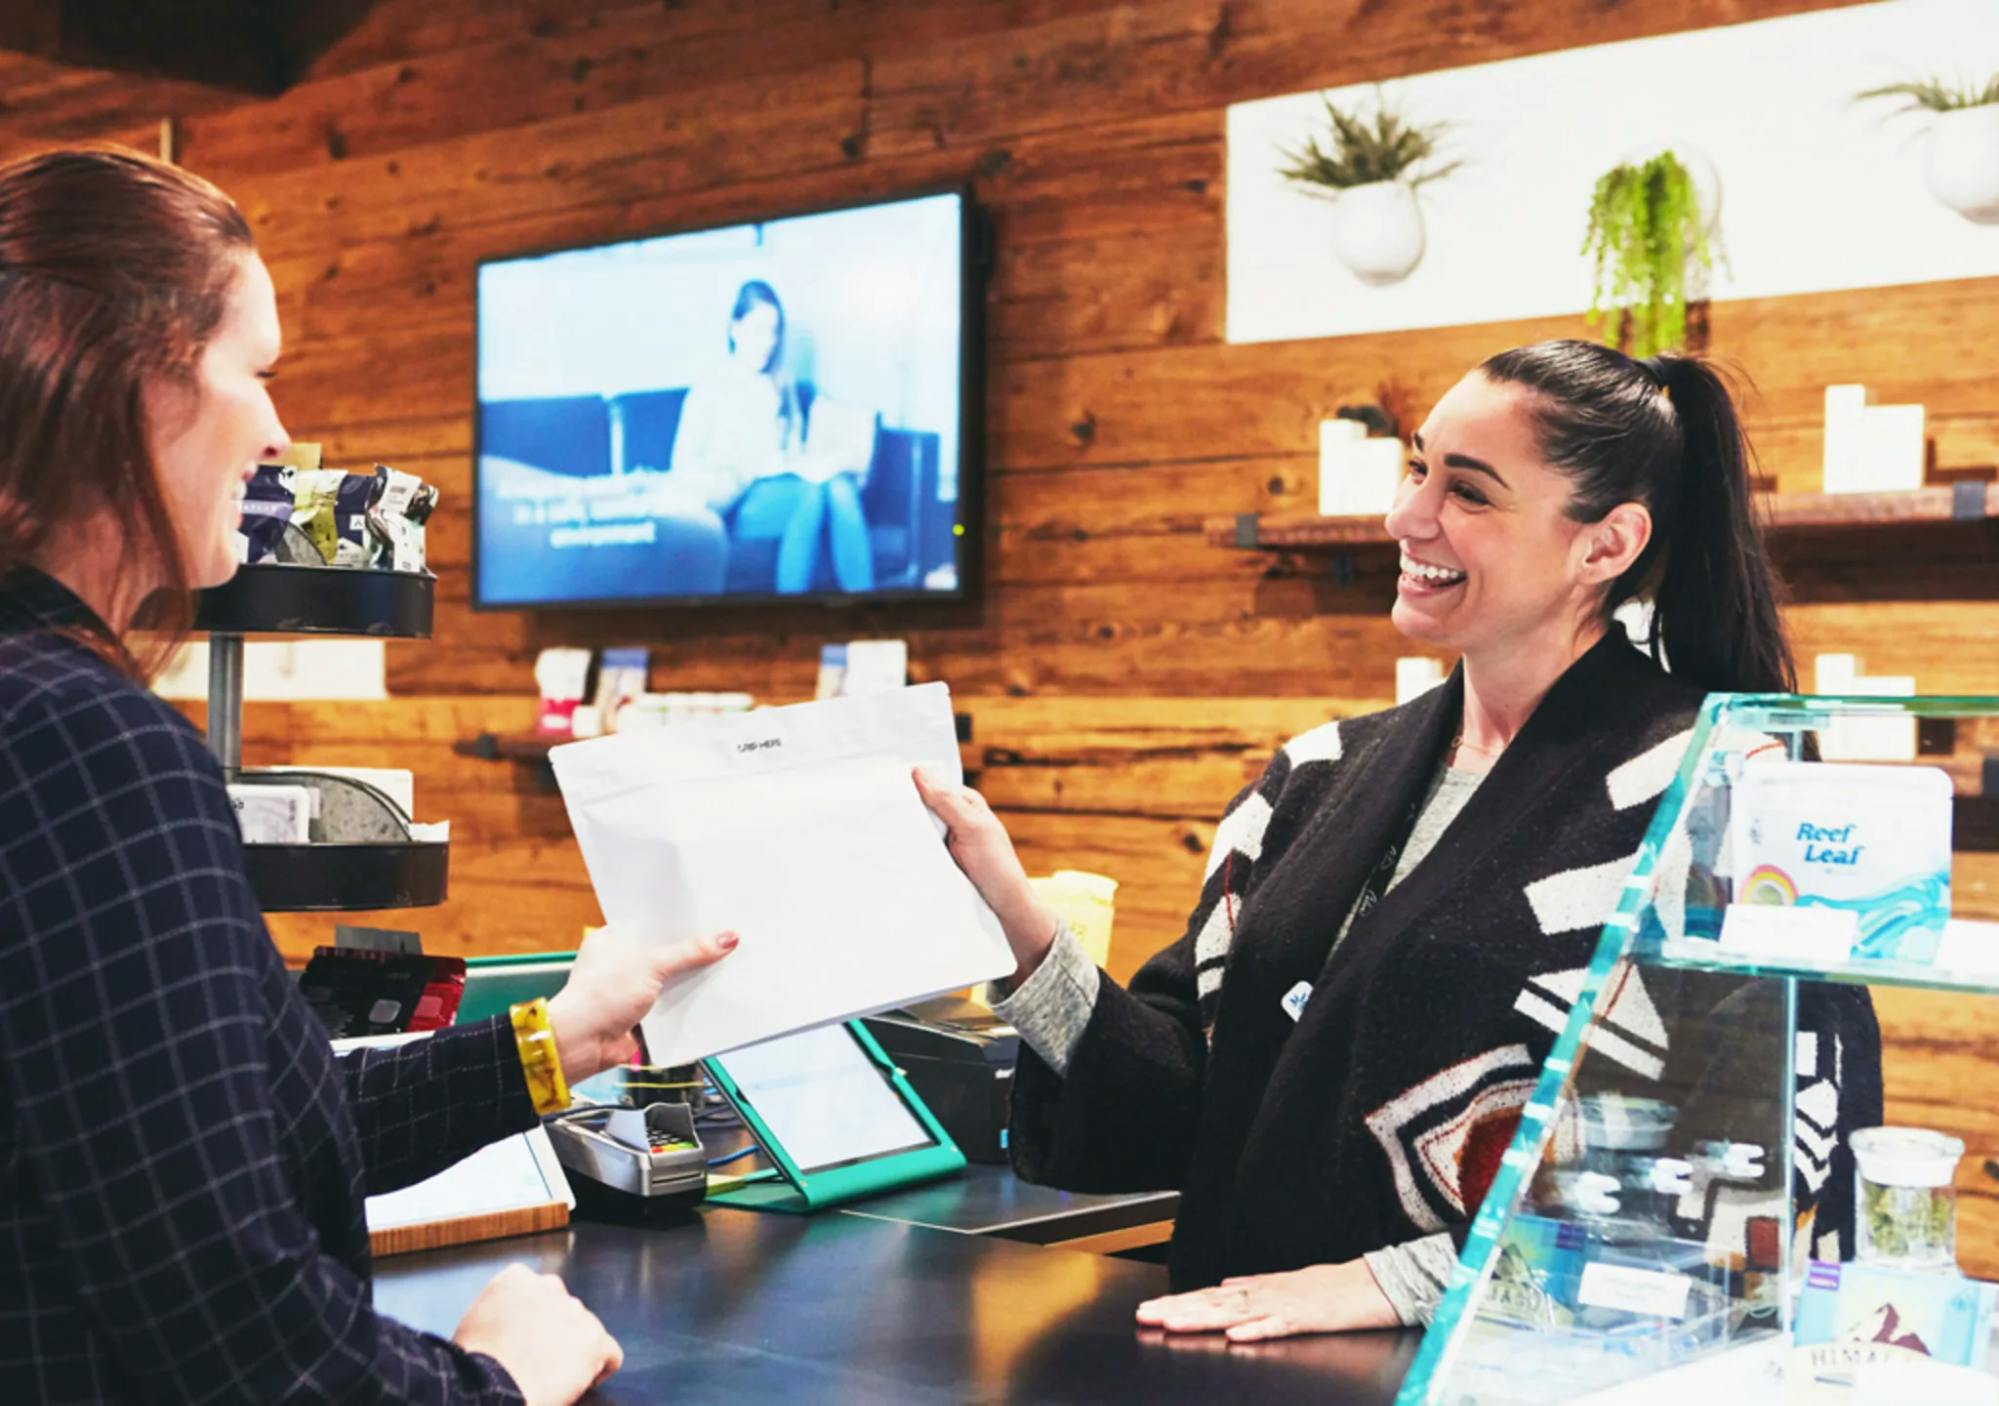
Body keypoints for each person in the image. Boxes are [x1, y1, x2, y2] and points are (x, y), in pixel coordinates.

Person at [918, 339, 1883, 1341]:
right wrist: (1015, 916)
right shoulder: (1313, 776)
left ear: (1605, 544)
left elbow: (1767, 1166)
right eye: (1417, 467)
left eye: (1467, 490)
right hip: (1229, 1353)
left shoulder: (1722, 794)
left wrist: (1401, 1280)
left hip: (1494, 1367)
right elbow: (1185, 1105)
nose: (1405, 516)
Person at [0, 147, 738, 1404]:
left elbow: (238, 1131)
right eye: (258, 371)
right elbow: (239, 1327)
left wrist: (556, 1039)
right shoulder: (89, 745)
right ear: (128, 382)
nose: (280, 431)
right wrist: (499, 1374)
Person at [669, 279, 875, 593]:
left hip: (780, 485)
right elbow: (682, 466)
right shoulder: (708, 389)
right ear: (734, 329)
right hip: (735, 498)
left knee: (839, 486)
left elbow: (793, 449)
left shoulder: (782, 382)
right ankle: (793, 615)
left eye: (774, 331)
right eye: (757, 331)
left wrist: (803, 461)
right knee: (813, 493)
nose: (767, 342)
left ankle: (867, 610)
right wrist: (739, 467)